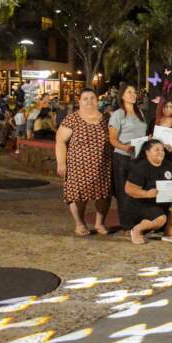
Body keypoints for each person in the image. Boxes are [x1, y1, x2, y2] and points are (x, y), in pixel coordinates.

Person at [55, 89, 112, 236]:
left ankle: (100, 223)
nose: (89, 101)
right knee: (77, 195)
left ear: (97, 100)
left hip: (103, 165)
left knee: (103, 195)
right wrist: (61, 162)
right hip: (77, 166)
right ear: (79, 102)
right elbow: (60, 140)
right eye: (85, 98)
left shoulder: (106, 118)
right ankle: (79, 223)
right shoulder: (72, 119)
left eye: (92, 98)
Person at [123, 139, 172, 244]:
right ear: (147, 152)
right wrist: (146, 194)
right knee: (161, 219)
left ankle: (168, 233)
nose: (161, 152)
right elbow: (128, 189)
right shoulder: (140, 167)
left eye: (162, 150)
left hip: (161, 201)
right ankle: (137, 230)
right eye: (157, 150)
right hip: (140, 204)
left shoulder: (169, 165)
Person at [109, 83, 148, 232]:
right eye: (129, 92)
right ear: (122, 96)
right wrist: (126, 147)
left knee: (137, 191)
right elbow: (112, 139)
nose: (132, 95)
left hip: (139, 157)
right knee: (124, 192)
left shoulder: (140, 113)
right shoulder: (118, 114)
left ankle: (137, 223)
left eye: (134, 92)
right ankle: (126, 226)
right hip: (123, 158)